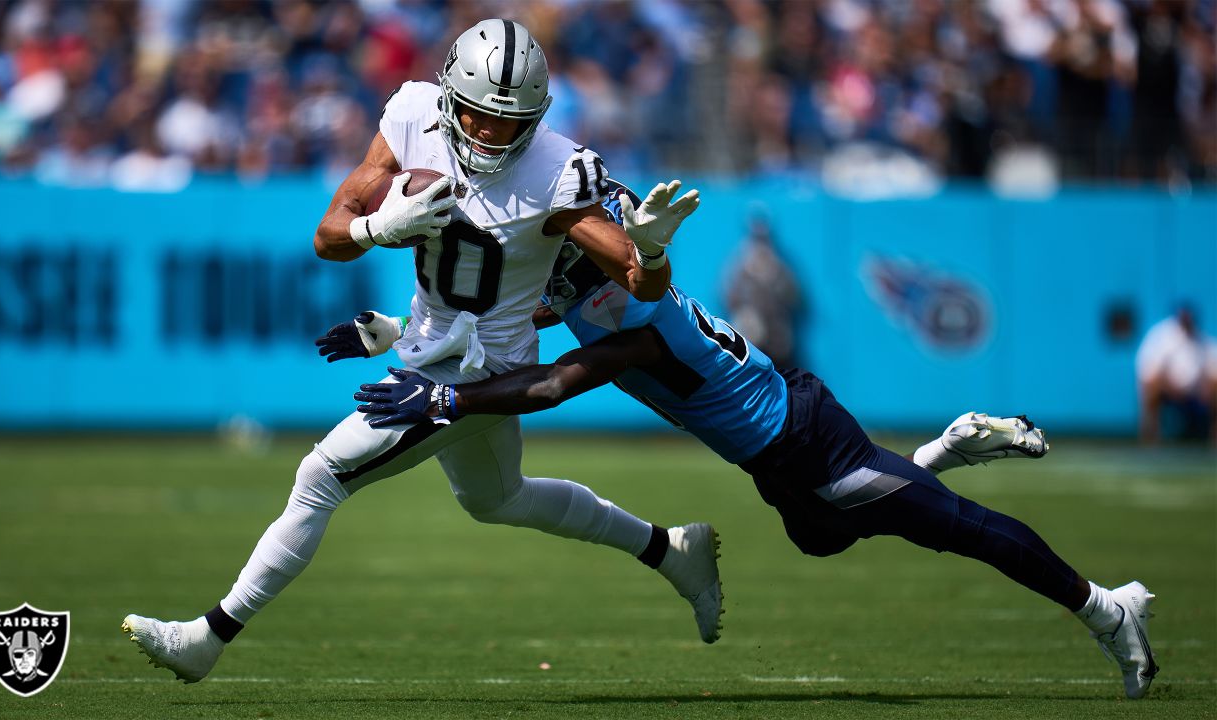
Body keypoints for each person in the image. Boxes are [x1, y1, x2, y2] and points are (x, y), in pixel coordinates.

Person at [353, 181, 1159, 701]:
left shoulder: (632, 323)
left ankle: (1104, 611)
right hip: (774, 454)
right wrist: (401, 333)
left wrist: (448, 397)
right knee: (820, 541)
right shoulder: (597, 299)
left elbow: (554, 383)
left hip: (810, 444)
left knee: (957, 531)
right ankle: (943, 447)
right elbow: (502, 324)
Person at [121, 20, 714, 683]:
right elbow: (329, 236)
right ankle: (670, 550)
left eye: (510, 122)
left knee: (320, 479)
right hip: (434, 347)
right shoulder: (410, 114)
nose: (491, 132)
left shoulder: (559, 171)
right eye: (478, 114)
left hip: (480, 372)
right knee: (498, 500)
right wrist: (380, 229)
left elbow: (641, 282)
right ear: (448, 96)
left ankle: (208, 636)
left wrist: (653, 250)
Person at [721, 211, 802, 369]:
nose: (760, 244)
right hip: (751, 340)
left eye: (763, 239)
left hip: (777, 342)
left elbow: (794, 298)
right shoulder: (738, 265)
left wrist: (773, 277)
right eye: (756, 238)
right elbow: (728, 297)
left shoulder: (780, 266)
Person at [1136, 305, 1217, 444]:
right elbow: (1149, 371)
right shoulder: (1161, 337)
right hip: (1167, 389)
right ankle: (1150, 439)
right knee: (1150, 387)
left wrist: (1205, 387)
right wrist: (1169, 386)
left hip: (1194, 392)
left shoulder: (1203, 341)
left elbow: (1212, 370)